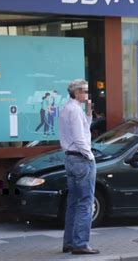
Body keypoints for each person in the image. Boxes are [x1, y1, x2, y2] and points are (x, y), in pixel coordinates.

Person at [59, 79, 99, 255]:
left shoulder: (69, 108)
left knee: (74, 203)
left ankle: (69, 242)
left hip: (70, 159)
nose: (87, 94)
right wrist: (89, 156)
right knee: (85, 203)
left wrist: (89, 113)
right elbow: (79, 137)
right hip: (81, 159)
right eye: (84, 91)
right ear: (75, 92)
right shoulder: (74, 110)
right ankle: (80, 244)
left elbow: (84, 129)